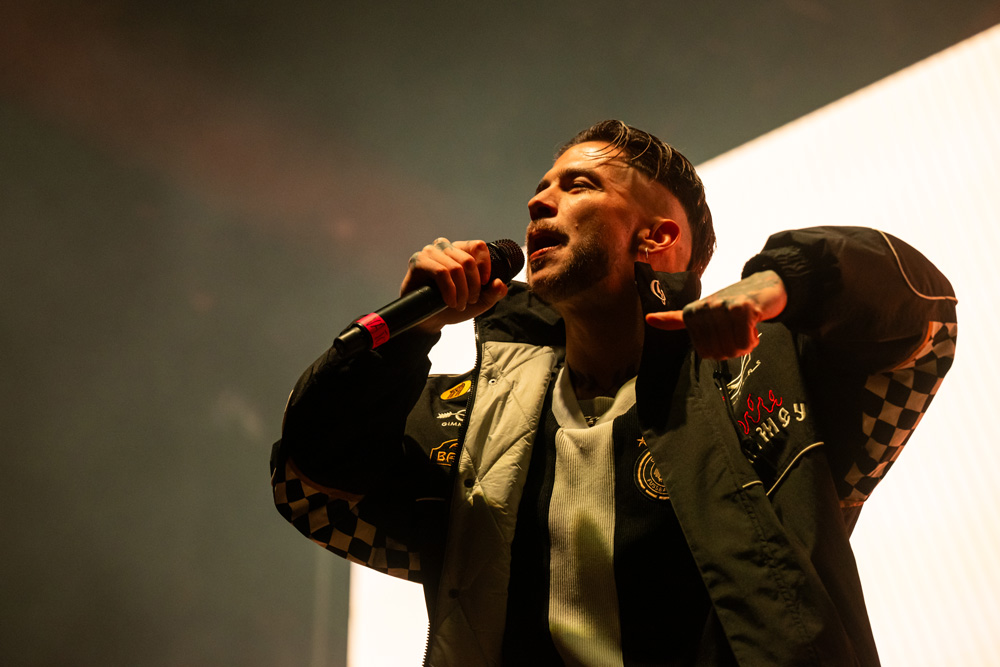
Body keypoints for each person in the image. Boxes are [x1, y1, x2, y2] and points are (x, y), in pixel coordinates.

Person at [271, 120, 957, 666]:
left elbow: (924, 315)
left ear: (656, 237)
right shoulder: (471, 417)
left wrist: (783, 280)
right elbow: (315, 473)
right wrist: (410, 328)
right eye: (541, 188)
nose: (540, 200)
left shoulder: (767, 365)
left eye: (578, 185)